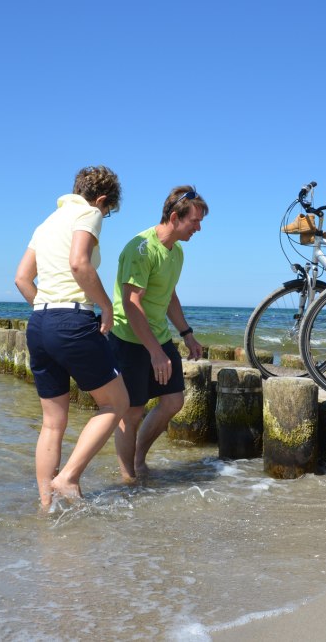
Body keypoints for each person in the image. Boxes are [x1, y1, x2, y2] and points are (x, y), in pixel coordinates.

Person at [13, 165, 130, 509]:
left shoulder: (46, 223)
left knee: (52, 422)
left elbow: (21, 278)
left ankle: (46, 505)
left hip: (38, 323)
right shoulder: (89, 211)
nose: (103, 217)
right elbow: (80, 264)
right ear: (103, 199)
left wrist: (49, 311)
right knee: (116, 403)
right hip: (73, 320)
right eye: (108, 212)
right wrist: (106, 307)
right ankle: (68, 478)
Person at [108, 185, 209, 479]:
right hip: (128, 337)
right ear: (176, 217)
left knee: (173, 401)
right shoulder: (140, 249)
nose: (199, 228)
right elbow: (131, 303)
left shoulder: (176, 252)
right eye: (195, 221)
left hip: (158, 337)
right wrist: (154, 352)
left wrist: (186, 333)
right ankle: (129, 477)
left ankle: (139, 457)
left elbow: (169, 296)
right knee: (133, 411)